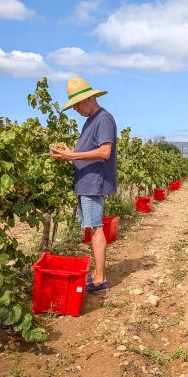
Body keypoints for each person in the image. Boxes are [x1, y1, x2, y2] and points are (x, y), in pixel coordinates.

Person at [51, 76, 117, 293]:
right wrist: (69, 154)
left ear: (88, 99)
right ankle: (99, 275)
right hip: (85, 183)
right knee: (93, 227)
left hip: (93, 183)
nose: (76, 109)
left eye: (77, 104)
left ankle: (100, 279)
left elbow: (105, 152)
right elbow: (87, 152)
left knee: (96, 228)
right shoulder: (91, 121)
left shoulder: (103, 119)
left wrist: (72, 156)